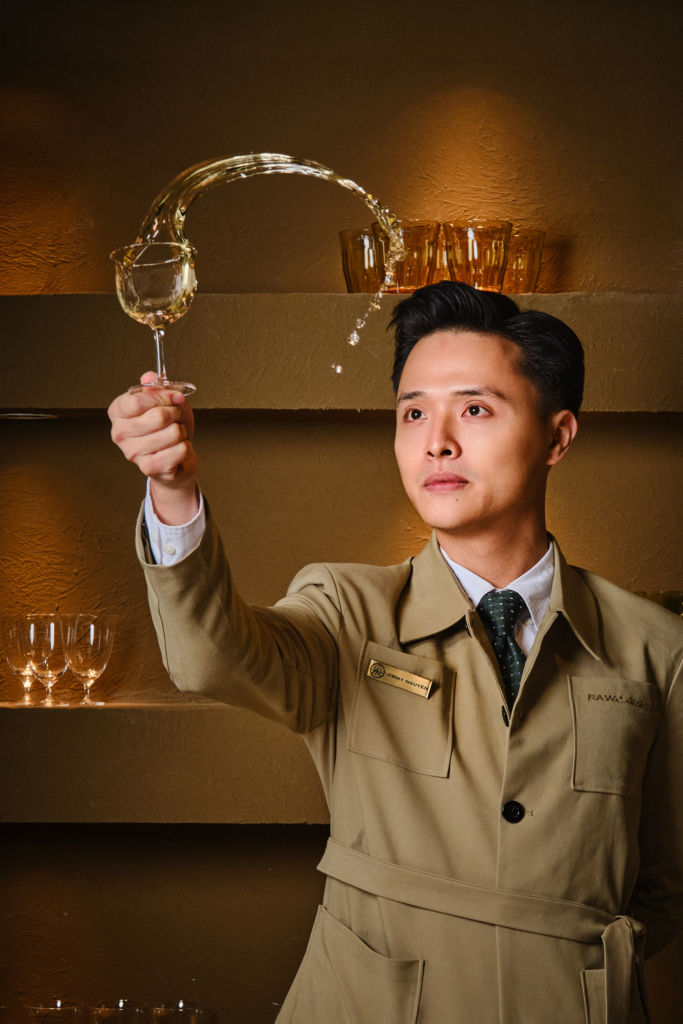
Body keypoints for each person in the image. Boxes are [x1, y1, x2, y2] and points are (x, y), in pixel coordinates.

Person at [109, 282, 683, 1024]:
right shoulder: (346, 609)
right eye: (413, 412)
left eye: (474, 409)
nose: (435, 441)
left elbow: (664, 886)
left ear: (556, 436)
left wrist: (568, 966)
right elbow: (210, 657)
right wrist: (172, 490)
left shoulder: (655, 646)